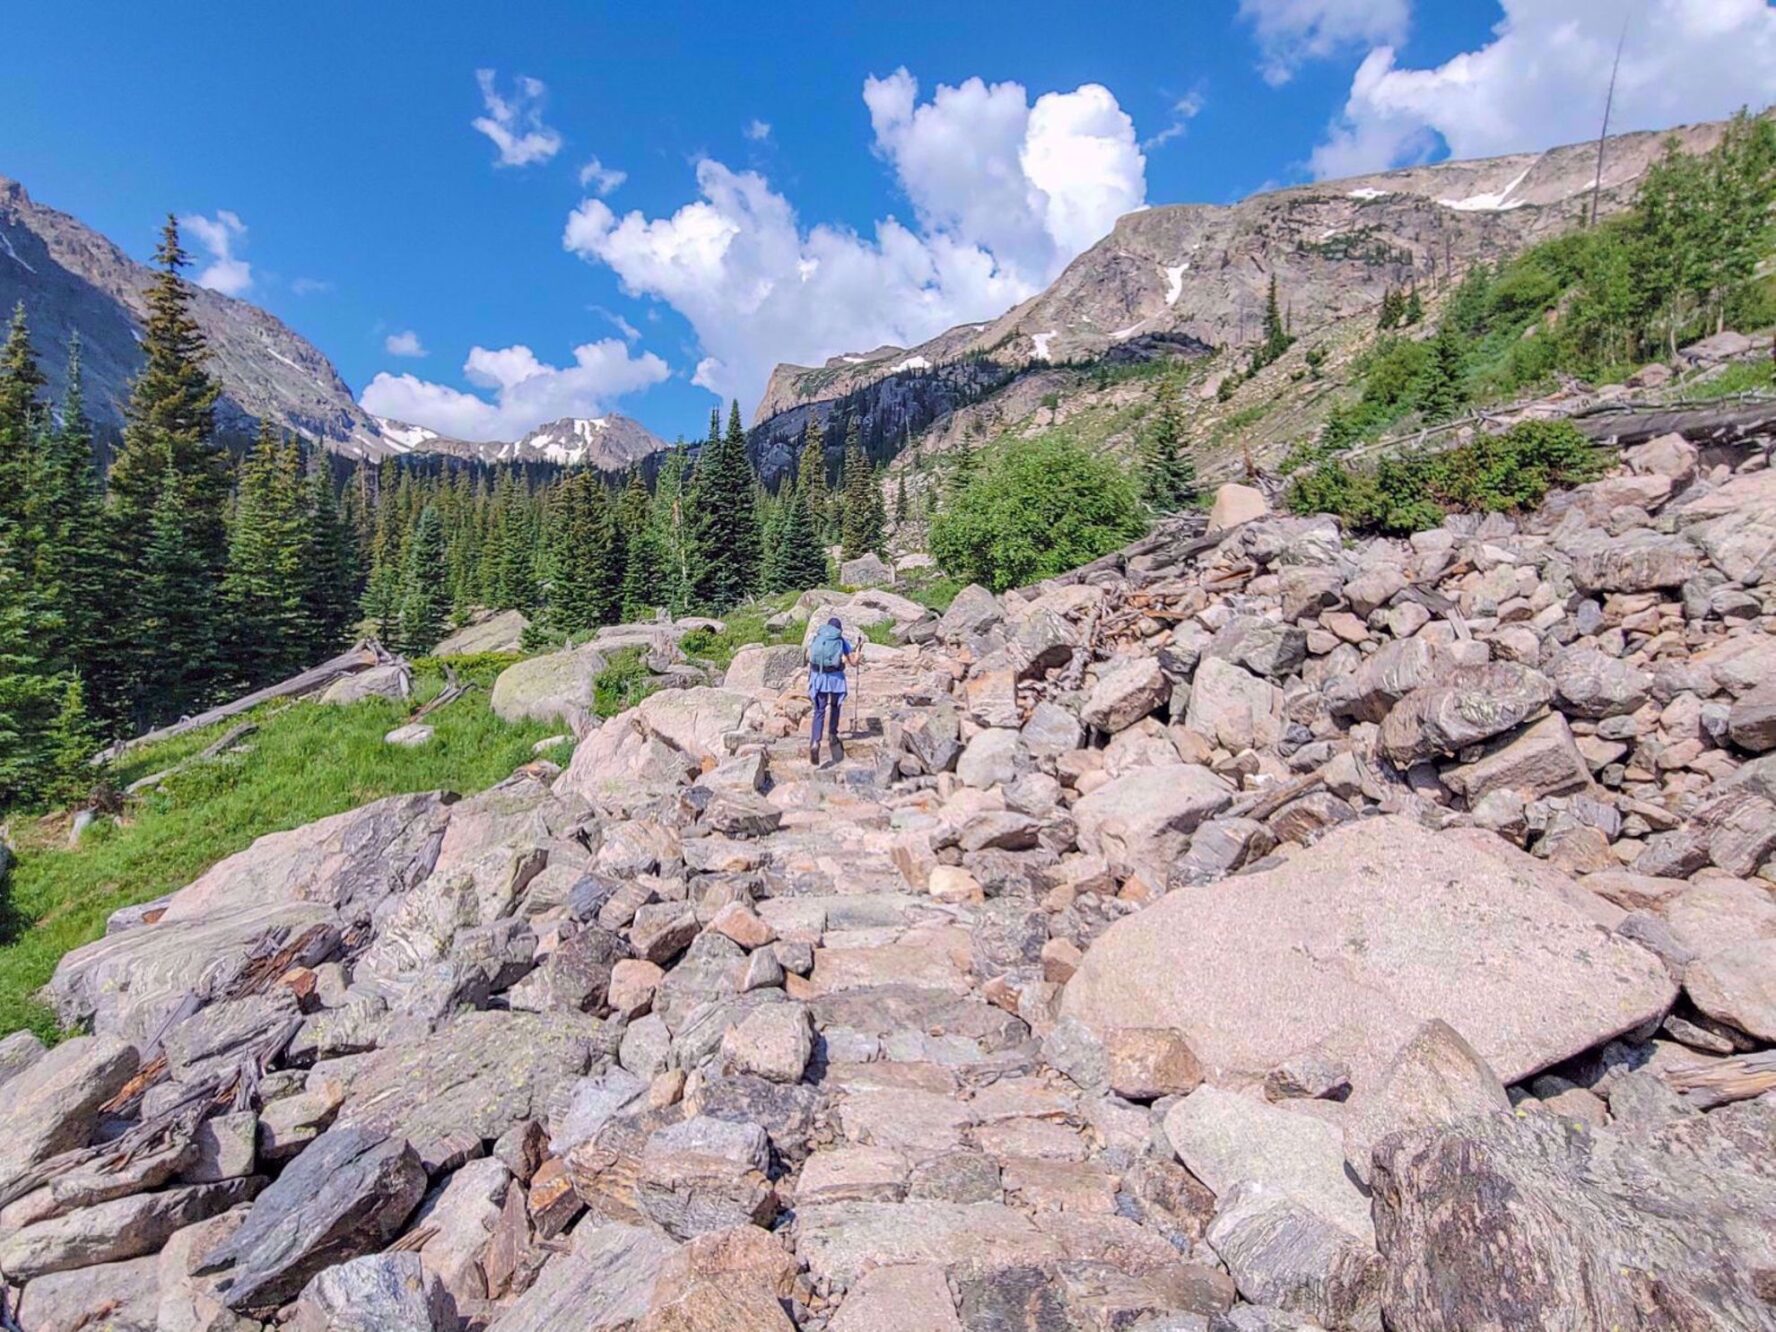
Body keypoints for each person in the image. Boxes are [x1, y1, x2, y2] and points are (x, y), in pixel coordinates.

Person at [806, 615, 856, 766]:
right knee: (835, 706)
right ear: (839, 629)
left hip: (819, 677)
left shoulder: (818, 637)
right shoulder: (841, 640)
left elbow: (810, 656)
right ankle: (832, 735)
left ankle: (815, 742)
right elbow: (853, 661)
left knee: (819, 710)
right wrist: (858, 652)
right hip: (835, 679)